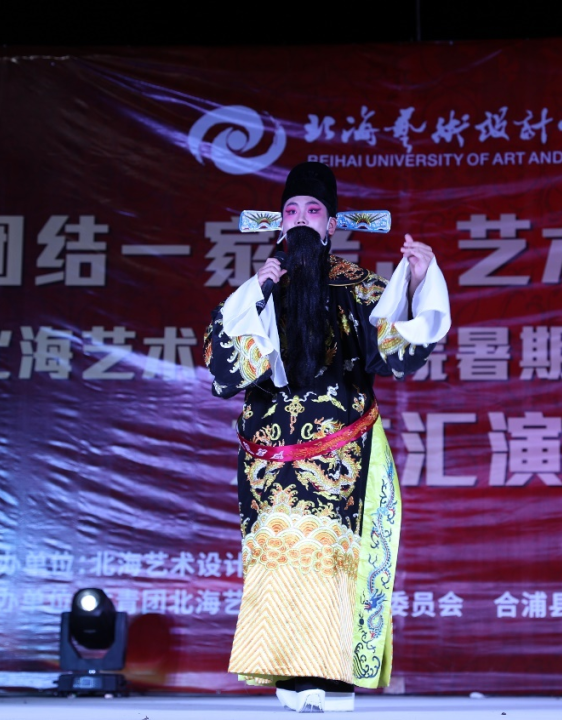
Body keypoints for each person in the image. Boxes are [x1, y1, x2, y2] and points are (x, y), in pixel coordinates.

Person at [203, 161, 451, 712]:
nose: (300, 219)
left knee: (335, 557)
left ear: (331, 224)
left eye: (312, 211)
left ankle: (333, 677)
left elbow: (398, 351)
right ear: (279, 223)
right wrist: (258, 291)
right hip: (269, 459)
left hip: (340, 456)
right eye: (291, 210)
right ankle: (289, 673)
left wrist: (415, 283)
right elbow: (221, 370)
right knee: (279, 556)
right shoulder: (259, 289)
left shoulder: (358, 288)